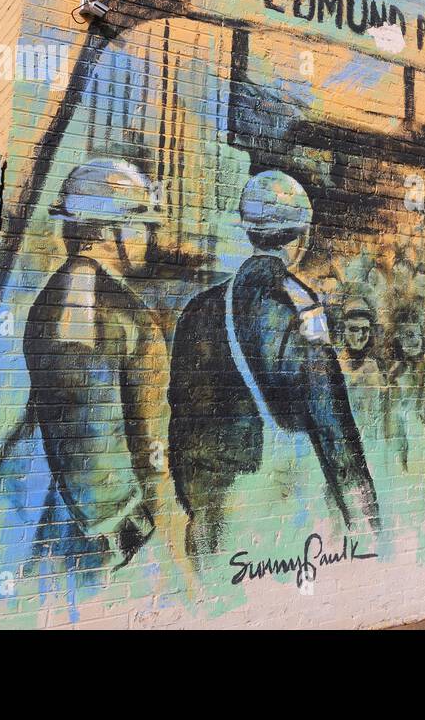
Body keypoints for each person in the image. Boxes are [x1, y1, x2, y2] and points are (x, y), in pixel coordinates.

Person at [168, 170, 379, 562]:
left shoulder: (198, 309)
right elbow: (332, 426)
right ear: (301, 238)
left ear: (249, 232)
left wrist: (195, 504)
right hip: (276, 513)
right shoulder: (302, 310)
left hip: (210, 508)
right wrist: (367, 520)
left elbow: (181, 419)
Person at [23, 158, 173, 571]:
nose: (149, 238)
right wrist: (123, 522)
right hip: (101, 525)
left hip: (77, 508)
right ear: (114, 231)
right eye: (143, 225)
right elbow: (88, 425)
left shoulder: (66, 292)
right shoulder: (93, 299)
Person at [384, 303, 425, 477]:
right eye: (407, 336)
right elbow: (394, 428)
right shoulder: (396, 375)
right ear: (397, 340)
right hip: (408, 447)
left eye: (417, 335)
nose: (414, 341)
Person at [338, 295, 383, 438]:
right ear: (343, 330)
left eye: (365, 329)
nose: (360, 336)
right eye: (354, 329)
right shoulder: (334, 364)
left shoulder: (372, 368)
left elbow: (374, 418)